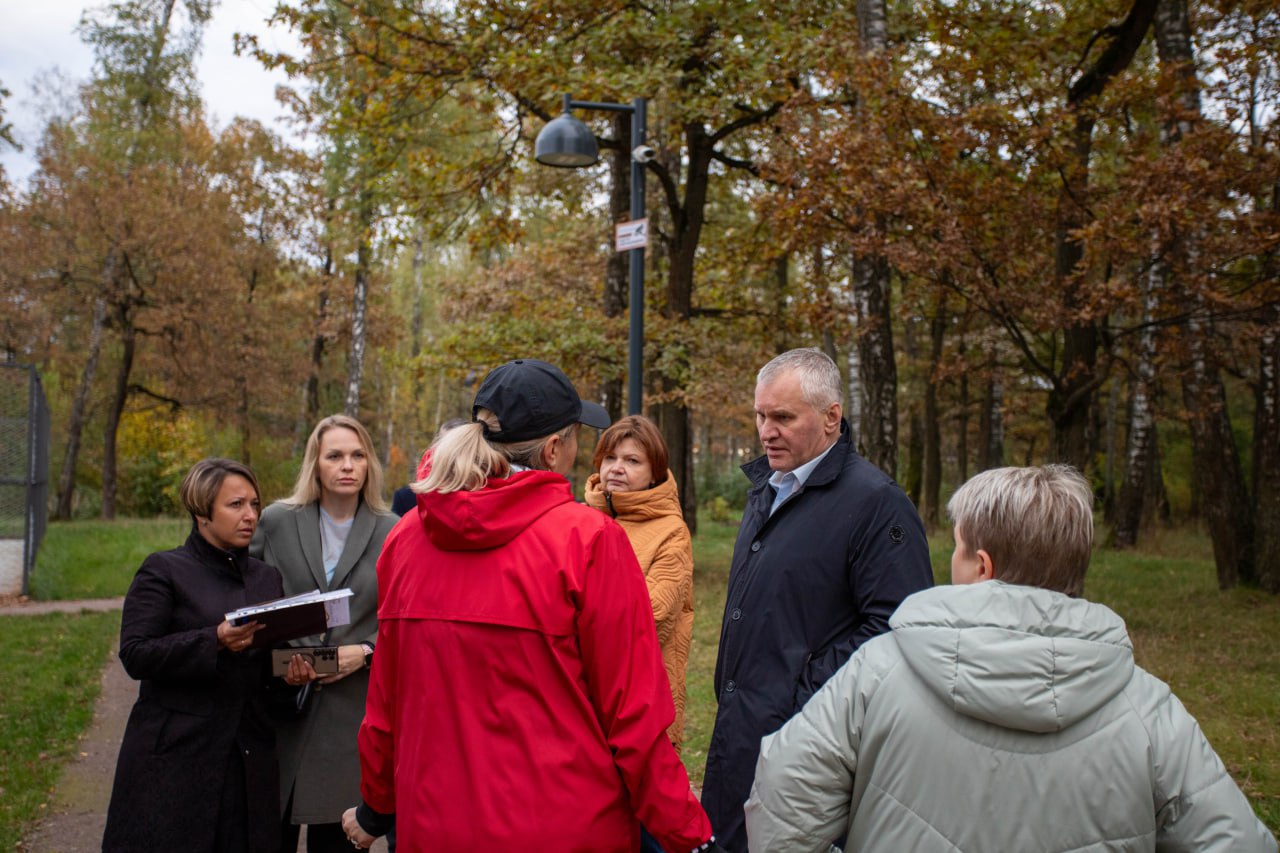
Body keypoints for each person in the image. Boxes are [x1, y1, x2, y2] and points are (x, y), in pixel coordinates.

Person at [745, 464, 1279, 852]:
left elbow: (780, 804)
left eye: (955, 547)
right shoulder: (1147, 708)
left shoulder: (876, 672)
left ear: (982, 564)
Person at [341, 358, 722, 852]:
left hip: (434, 825)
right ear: (554, 449)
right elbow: (634, 719)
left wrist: (377, 806)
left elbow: (385, 708)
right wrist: (691, 837)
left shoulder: (407, 537)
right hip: (565, 827)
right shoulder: (588, 541)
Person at [701, 347, 934, 852]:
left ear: (832, 417)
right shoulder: (769, 485)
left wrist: (800, 693)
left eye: (783, 417)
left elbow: (899, 627)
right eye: (761, 415)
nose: (766, 431)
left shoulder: (876, 503)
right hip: (741, 734)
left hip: (808, 744)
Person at [103, 458, 284, 853]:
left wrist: (293, 672)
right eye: (236, 505)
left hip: (249, 758)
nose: (250, 515)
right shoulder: (164, 570)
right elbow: (136, 654)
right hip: (176, 758)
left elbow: (270, 661)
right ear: (202, 511)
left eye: (255, 504)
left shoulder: (266, 577)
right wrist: (213, 639)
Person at [250, 414, 397, 853]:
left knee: (336, 838)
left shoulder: (393, 529)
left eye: (357, 456)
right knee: (267, 833)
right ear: (316, 464)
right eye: (335, 456)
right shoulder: (277, 521)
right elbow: (251, 598)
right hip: (282, 706)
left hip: (352, 712)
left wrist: (367, 651)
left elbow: (403, 618)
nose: (347, 466)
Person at [585, 415, 695, 853]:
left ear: (655, 470)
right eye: (610, 457)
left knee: (649, 826)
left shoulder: (671, 531)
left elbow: (650, 616)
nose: (616, 468)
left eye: (632, 460)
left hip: (645, 705)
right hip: (585, 702)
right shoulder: (580, 518)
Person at [390, 418, 467, 516]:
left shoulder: (483, 498)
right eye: (442, 444)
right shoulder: (406, 498)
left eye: (456, 447)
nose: (448, 454)